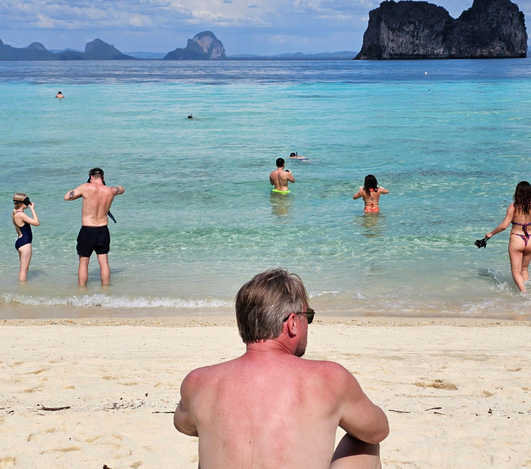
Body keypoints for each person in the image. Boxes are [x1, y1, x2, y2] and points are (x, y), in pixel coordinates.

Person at [174, 268, 389, 469]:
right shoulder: (330, 378)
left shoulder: (198, 382)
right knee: (365, 443)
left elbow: (183, 425)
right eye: (308, 316)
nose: (307, 324)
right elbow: (378, 430)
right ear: (293, 323)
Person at [484, 181, 531, 293]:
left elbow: (504, 226)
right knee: (524, 269)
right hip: (530, 240)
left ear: (517, 193)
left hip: (517, 238)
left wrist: (491, 233)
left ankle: (524, 292)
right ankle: (528, 290)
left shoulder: (513, 207)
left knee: (516, 271)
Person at [64, 167, 125, 286]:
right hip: (103, 229)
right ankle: (106, 290)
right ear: (103, 178)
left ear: (91, 177)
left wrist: (82, 192)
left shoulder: (86, 187)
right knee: (104, 262)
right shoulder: (110, 191)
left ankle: (82, 290)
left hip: (88, 230)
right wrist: (113, 188)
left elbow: (67, 197)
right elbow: (121, 189)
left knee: (83, 263)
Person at [12, 193, 40, 282]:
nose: (28, 202)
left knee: (23, 269)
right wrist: (32, 210)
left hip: (21, 242)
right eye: (26, 201)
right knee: (24, 270)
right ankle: (23, 287)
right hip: (25, 243)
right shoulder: (20, 214)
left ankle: (21, 288)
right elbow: (36, 223)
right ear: (20, 203)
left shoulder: (16, 214)